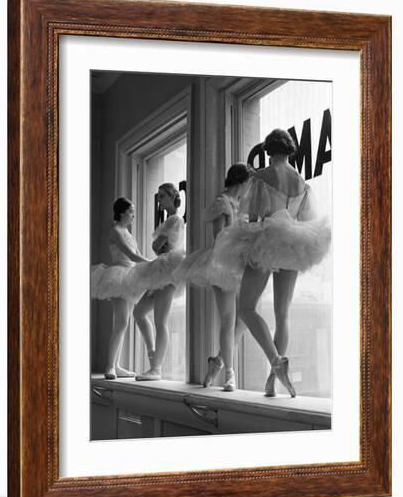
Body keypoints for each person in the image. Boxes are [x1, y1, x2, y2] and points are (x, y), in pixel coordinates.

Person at [213, 129, 331, 397]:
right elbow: (304, 219)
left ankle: (276, 362)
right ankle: (271, 381)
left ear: (268, 150)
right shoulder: (302, 182)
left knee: (245, 307)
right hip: (293, 243)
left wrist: (246, 241)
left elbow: (252, 216)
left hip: (267, 242)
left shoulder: (262, 176)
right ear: (290, 150)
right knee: (283, 315)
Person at [176, 163, 250, 391]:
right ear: (242, 181)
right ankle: (229, 373)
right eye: (248, 183)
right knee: (228, 319)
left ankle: (217, 361)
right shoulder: (222, 202)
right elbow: (219, 237)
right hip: (222, 262)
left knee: (246, 316)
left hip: (239, 262)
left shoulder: (240, 204)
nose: (249, 188)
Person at [91, 197, 150, 380]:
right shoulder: (115, 231)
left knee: (123, 322)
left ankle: (116, 365)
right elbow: (130, 254)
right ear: (123, 212)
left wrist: (148, 265)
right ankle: (110, 366)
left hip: (131, 276)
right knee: (122, 321)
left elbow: (137, 254)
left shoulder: (128, 233)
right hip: (119, 277)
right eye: (131, 211)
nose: (133, 214)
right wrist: (153, 264)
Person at [133, 183, 186, 381]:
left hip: (168, 270)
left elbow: (158, 245)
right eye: (159, 197)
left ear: (173, 197)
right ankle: (152, 352)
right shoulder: (170, 220)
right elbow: (157, 246)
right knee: (138, 312)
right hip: (160, 269)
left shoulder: (175, 219)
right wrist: (158, 246)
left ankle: (156, 368)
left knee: (160, 320)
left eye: (163, 196)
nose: (160, 200)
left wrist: (159, 245)